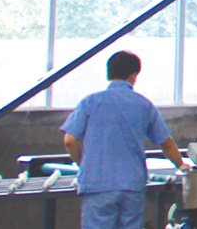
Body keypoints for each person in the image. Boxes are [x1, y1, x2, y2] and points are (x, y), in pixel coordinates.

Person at [60, 51, 186, 229]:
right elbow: (166, 143)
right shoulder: (144, 104)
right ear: (134, 75)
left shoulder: (90, 102)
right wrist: (182, 166)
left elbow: (70, 141)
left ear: (109, 73)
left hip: (98, 184)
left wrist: (84, 165)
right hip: (131, 184)